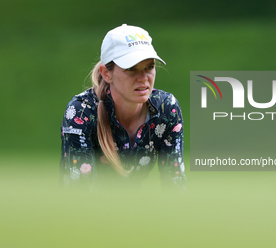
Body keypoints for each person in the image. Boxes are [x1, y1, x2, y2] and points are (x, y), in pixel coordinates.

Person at [60, 24, 185, 190]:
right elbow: (78, 192)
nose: (143, 78)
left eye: (149, 67)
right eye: (131, 69)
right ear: (106, 73)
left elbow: (175, 186)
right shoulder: (81, 112)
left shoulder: (167, 108)